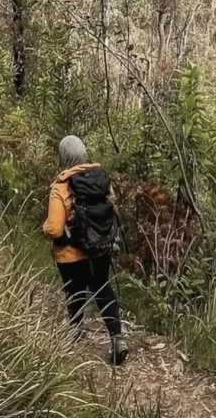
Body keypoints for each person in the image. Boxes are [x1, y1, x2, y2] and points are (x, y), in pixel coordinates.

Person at [43, 135, 128, 365]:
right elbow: (110, 208)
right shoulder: (101, 180)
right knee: (103, 289)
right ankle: (117, 337)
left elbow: (53, 228)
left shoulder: (61, 187)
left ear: (63, 157)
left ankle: (76, 335)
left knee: (75, 292)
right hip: (100, 249)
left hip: (71, 255)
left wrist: (54, 231)